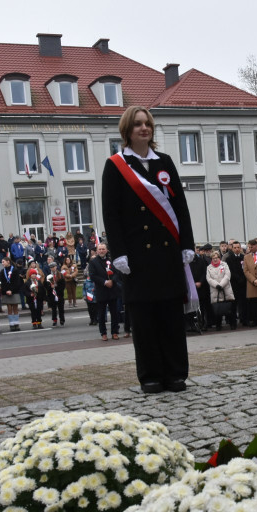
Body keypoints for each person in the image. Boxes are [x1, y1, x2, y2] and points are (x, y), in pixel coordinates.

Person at [102, 105, 196, 393]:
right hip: (137, 257)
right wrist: (118, 252)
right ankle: (151, 376)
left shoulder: (165, 162)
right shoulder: (115, 165)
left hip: (167, 254)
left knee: (170, 317)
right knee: (144, 321)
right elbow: (111, 213)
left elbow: (180, 207)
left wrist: (187, 244)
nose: (144, 128)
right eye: (138, 124)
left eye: (148, 124)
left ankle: (176, 373)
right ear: (127, 130)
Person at [89, 243, 121, 340]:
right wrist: (104, 282)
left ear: (106, 250)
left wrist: (112, 280)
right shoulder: (93, 262)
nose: (102, 251)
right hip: (101, 290)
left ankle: (115, 332)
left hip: (112, 290)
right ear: (97, 251)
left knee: (114, 313)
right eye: (100, 249)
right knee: (101, 314)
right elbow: (93, 275)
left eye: (103, 249)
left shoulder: (111, 261)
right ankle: (103, 333)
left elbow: (117, 272)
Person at [0, 257, 23, 331]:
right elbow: (2, 282)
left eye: (3, 262)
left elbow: (17, 282)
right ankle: (11, 324)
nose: (2, 263)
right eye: (2, 262)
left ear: (8, 262)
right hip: (6, 292)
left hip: (14, 291)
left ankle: (16, 324)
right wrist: (6, 290)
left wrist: (11, 290)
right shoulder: (2, 271)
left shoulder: (15, 270)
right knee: (9, 308)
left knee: (15, 307)